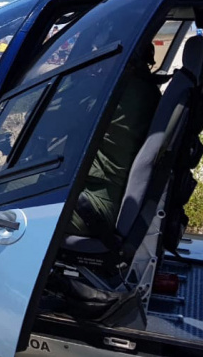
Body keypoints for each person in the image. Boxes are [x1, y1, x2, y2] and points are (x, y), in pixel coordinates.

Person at [68, 44, 162, 237]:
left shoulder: (116, 91)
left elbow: (54, 120)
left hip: (94, 204)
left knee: (3, 201)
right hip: (110, 196)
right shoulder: (147, 90)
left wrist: (79, 78)